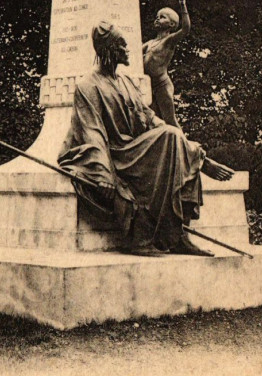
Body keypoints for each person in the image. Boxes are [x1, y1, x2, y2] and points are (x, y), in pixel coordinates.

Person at [58, 22, 233, 257]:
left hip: (134, 148)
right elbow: (93, 132)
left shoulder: (126, 82)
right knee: (169, 140)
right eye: (122, 45)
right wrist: (103, 172)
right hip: (117, 153)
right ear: (109, 50)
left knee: (173, 136)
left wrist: (200, 156)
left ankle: (180, 234)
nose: (128, 49)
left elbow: (150, 119)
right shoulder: (88, 85)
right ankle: (142, 237)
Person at [143, 0, 190, 128]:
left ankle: (184, 146)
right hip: (149, 85)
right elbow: (133, 53)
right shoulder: (150, 43)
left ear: (171, 24)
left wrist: (183, 5)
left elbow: (185, 30)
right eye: (157, 17)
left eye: (162, 17)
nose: (157, 19)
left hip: (162, 85)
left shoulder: (169, 41)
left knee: (170, 119)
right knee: (153, 120)